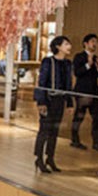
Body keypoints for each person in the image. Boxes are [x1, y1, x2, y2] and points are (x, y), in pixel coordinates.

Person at [33, 35, 73, 173]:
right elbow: (41, 82)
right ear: (58, 46)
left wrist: (69, 103)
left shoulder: (68, 64)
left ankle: (50, 157)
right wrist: (41, 101)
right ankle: (38, 158)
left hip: (59, 101)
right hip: (48, 100)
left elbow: (68, 85)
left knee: (54, 131)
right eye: (66, 44)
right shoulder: (48, 62)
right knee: (44, 130)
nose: (69, 47)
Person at [71, 33, 98, 151]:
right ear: (85, 44)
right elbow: (77, 72)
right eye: (92, 41)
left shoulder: (96, 58)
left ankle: (97, 143)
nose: (95, 44)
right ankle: (74, 140)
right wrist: (88, 65)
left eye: (96, 42)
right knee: (79, 117)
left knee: (97, 118)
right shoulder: (79, 56)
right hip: (82, 92)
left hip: (94, 92)